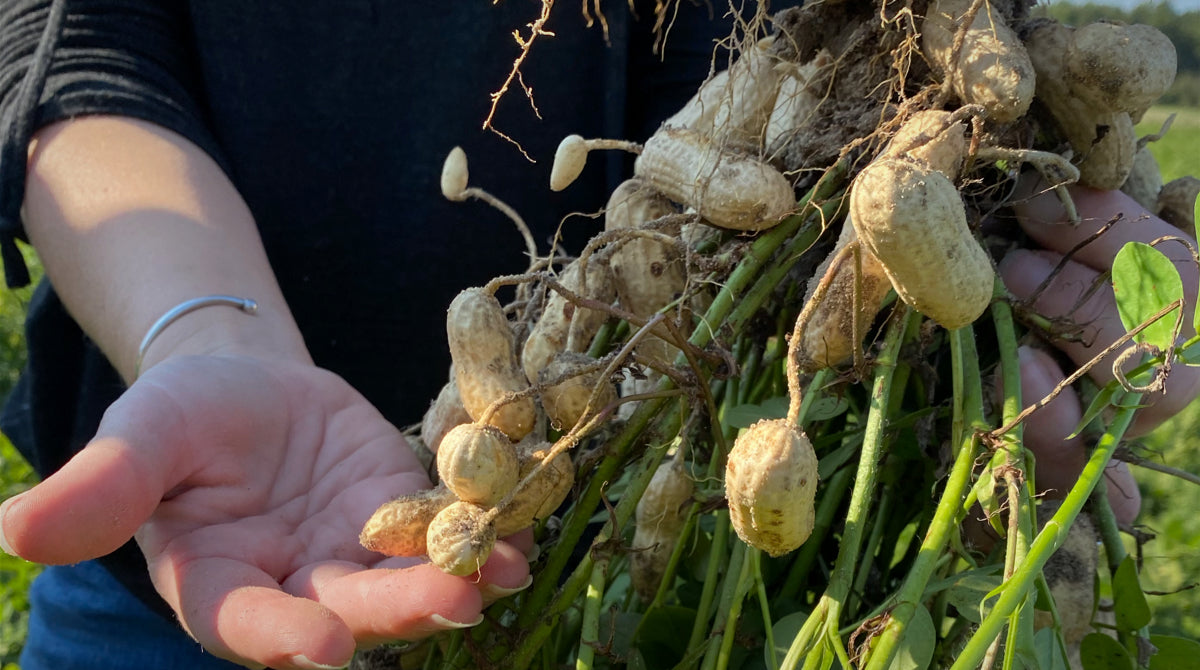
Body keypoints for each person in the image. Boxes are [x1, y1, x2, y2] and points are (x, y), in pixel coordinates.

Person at [0, 2, 1193, 669]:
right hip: (172, 583)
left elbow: (770, 96)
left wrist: (1062, 283)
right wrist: (211, 329)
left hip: (592, 560)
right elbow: (69, 46)